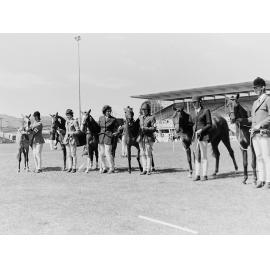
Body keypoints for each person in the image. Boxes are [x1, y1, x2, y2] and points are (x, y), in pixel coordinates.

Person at [250, 77, 270, 189]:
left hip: (264, 133)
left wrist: (260, 125)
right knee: (259, 157)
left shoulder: (268, 99)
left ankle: (268, 181)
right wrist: (241, 120)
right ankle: (261, 179)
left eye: (256, 87)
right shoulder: (254, 103)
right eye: (254, 88)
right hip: (255, 135)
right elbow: (253, 118)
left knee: (267, 157)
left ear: (263, 87)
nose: (255, 89)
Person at [192, 96, 212, 181]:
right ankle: (197, 174)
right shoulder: (192, 113)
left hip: (203, 136)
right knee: (197, 156)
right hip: (195, 137)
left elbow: (209, 124)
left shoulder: (206, 111)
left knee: (204, 156)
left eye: (195, 102)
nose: (194, 104)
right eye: (193, 102)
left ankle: (204, 175)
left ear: (200, 102)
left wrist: (201, 130)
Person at [98, 105, 118, 174]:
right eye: (107, 111)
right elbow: (98, 127)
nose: (109, 112)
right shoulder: (100, 118)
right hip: (101, 137)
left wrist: (116, 133)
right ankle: (104, 167)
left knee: (108, 153)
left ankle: (111, 168)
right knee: (101, 154)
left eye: (110, 111)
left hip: (109, 137)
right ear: (104, 112)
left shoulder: (113, 119)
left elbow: (117, 128)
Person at [138, 102, 156, 175]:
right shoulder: (140, 117)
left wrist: (145, 128)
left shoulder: (152, 117)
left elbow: (154, 128)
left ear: (148, 110)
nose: (144, 111)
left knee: (148, 154)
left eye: (145, 109)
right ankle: (144, 169)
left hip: (148, 138)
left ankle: (149, 170)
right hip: (141, 138)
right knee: (142, 154)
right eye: (142, 109)